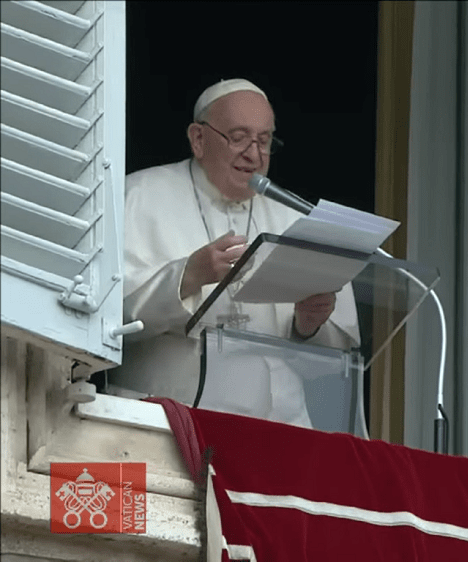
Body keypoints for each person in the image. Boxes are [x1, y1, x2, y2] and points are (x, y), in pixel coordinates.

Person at [108, 79, 360, 428]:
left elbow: (339, 355)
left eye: (264, 141)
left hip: (278, 430)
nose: (254, 155)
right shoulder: (136, 197)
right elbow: (105, 317)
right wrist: (187, 276)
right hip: (168, 421)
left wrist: (308, 326)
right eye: (239, 138)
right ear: (198, 139)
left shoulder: (297, 220)